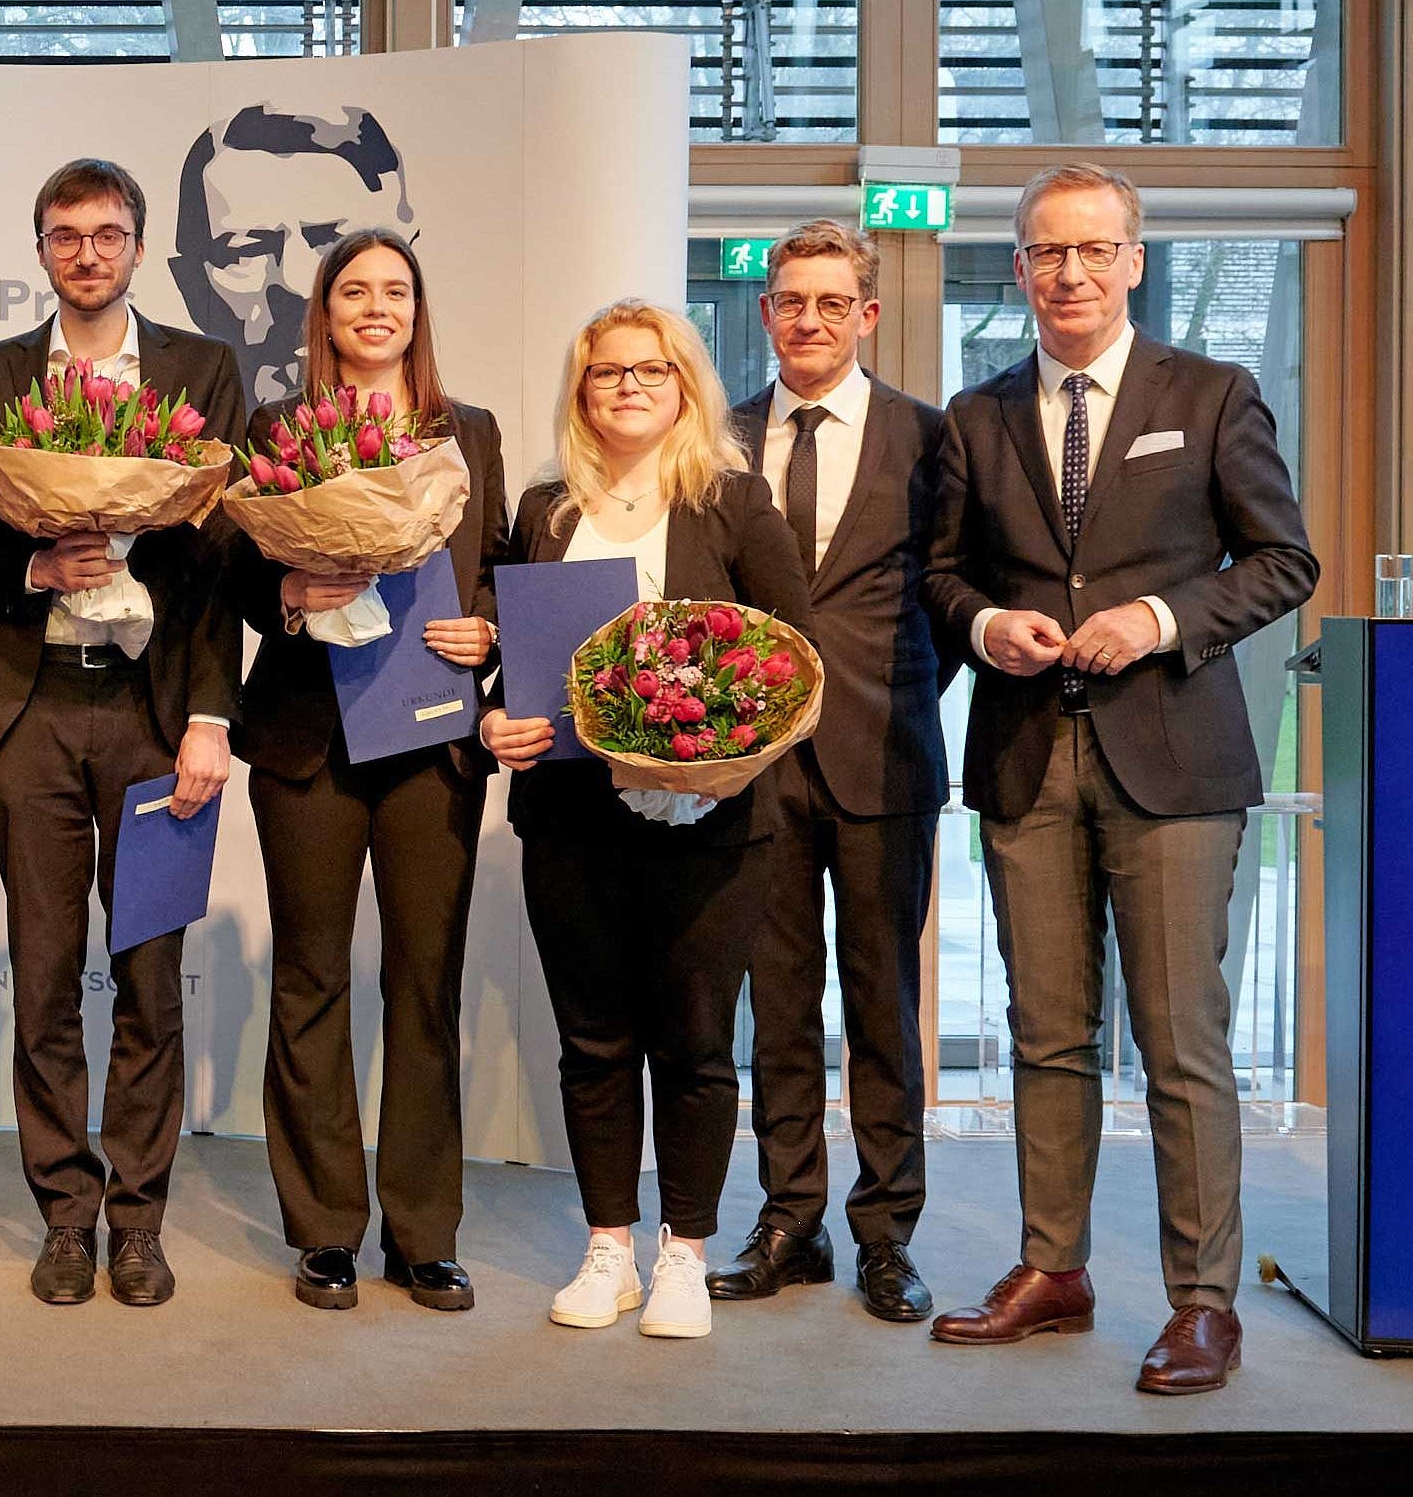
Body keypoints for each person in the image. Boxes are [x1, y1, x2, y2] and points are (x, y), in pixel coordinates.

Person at [921, 164, 1316, 1395]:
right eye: (1047, 253)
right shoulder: (975, 417)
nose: (1071, 273)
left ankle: (1203, 1302)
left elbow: (1282, 561)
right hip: (1028, 758)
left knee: (1181, 1042)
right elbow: (940, 575)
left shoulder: (1211, 394)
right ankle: (1056, 1268)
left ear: (1134, 260)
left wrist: (1155, 616)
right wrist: (988, 630)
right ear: (1021, 267)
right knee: (1047, 1035)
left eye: (1094, 250)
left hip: (1177, 763)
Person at [484, 299, 811, 1342]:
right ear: (580, 395)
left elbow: (791, 663)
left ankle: (685, 1251)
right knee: (592, 1040)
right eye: (605, 373)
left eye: (649, 370)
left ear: (685, 386)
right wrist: (500, 720)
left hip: (711, 827)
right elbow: (514, 660)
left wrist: (718, 743)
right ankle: (609, 1248)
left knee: (698, 1040)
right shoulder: (544, 509)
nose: (627, 387)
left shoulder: (734, 504)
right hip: (571, 815)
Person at [0, 157, 249, 1308]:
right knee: (43, 975)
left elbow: (225, 556)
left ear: (137, 246)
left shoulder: (201, 370)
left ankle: (139, 1219)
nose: (88, 253)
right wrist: (29, 561)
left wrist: (208, 715)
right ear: (40, 250)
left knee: (149, 972)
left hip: (152, 712)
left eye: (109, 233)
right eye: (66, 235)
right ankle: (65, 1216)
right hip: (33, 708)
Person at [227, 227, 509, 1315]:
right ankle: (326, 1229)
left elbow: (502, 574)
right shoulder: (277, 429)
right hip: (307, 736)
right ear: (327, 312)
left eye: (396, 290)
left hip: (433, 734)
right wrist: (292, 597)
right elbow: (236, 584)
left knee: (424, 983)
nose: (377, 307)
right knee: (310, 980)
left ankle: (426, 1231)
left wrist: (486, 634)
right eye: (356, 291)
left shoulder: (468, 431)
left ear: (417, 310)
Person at [709, 222, 951, 1323]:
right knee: (780, 1007)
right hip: (755, 766)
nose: (808, 319)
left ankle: (887, 1234)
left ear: (868, 313)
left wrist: (889, 695)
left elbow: (956, 595)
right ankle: (789, 1222)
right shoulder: (716, 439)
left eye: (830, 302)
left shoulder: (932, 438)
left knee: (885, 1009)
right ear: (767, 313)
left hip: (881, 755)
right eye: (789, 301)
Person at [169, 103, 417, 405]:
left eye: (331, 244)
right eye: (248, 252)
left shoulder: (469, 431)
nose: (297, 286)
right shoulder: (169, 438)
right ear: (187, 281)